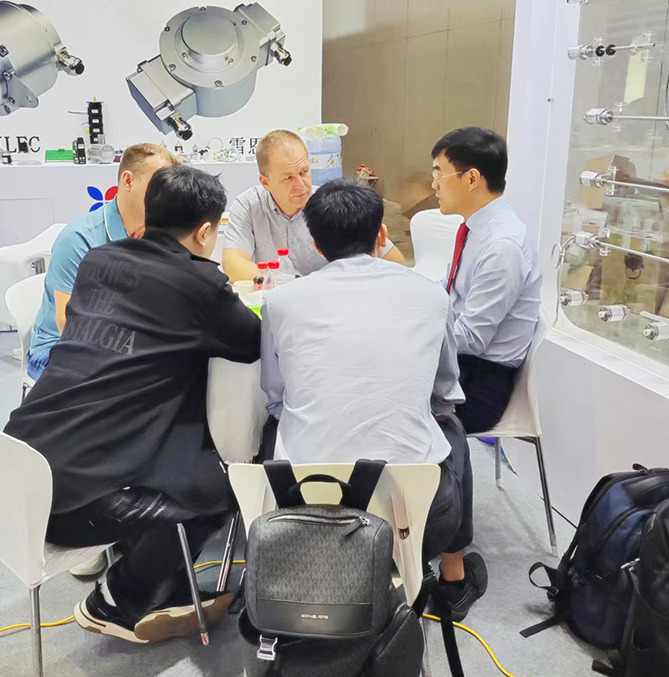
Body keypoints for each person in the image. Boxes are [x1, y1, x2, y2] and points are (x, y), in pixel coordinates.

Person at [4, 165, 261, 643]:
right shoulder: (198, 284)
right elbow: (251, 342)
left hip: (16, 461)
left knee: (174, 455)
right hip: (67, 501)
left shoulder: (98, 259)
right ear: (205, 231)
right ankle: (118, 600)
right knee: (222, 492)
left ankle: (161, 578)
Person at [260, 180, 487, 621]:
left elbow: (275, 396)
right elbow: (445, 393)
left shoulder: (280, 301)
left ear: (315, 244)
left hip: (304, 506)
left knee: (277, 424)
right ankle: (454, 577)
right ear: (381, 235)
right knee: (450, 427)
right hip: (418, 516)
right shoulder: (431, 295)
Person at [28, 143, 178, 381]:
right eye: (159, 184)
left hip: (122, 344)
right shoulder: (78, 239)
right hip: (58, 349)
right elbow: (67, 324)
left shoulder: (159, 233)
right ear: (128, 181)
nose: (167, 195)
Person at [432, 128, 541, 434]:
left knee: (383, 405)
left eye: (439, 174)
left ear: (471, 179)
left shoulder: (502, 246)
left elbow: (471, 337)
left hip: (479, 386)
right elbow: (449, 292)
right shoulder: (477, 230)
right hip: (460, 366)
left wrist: (414, 332)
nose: (434, 184)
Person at [222, 129, 406, 282]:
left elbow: (397, 264)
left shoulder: (330, 203)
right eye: (288, 178)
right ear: (265, 182)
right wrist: (285, 286)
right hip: (274, 297)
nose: (301, 185)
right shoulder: (249, 205)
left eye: (304, 172)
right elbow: (233, 264)